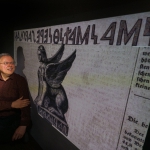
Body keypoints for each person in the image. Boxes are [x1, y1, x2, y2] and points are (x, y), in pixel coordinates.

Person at [0, 53, 30, 144]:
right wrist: (12, 104)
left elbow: (25, 104)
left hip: (12, 119)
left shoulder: (20, 80)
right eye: (6, 63)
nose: (10, 65)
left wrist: (23, 125)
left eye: (12, 63)